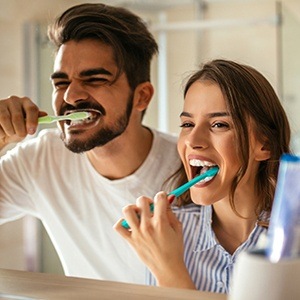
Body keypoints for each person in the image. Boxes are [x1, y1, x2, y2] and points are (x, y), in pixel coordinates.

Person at [0, 3, 181, 284]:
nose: (71, 97)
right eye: (61, 83)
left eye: (95, 79)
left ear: (142, 97)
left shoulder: (190, 170)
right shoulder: (41, 158)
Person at [114, 59, 291, 293]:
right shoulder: (165, 235)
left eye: (219, 124)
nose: (193, 141)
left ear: (264, 144)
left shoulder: (291, 241)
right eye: (187, 124)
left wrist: (170, 271)